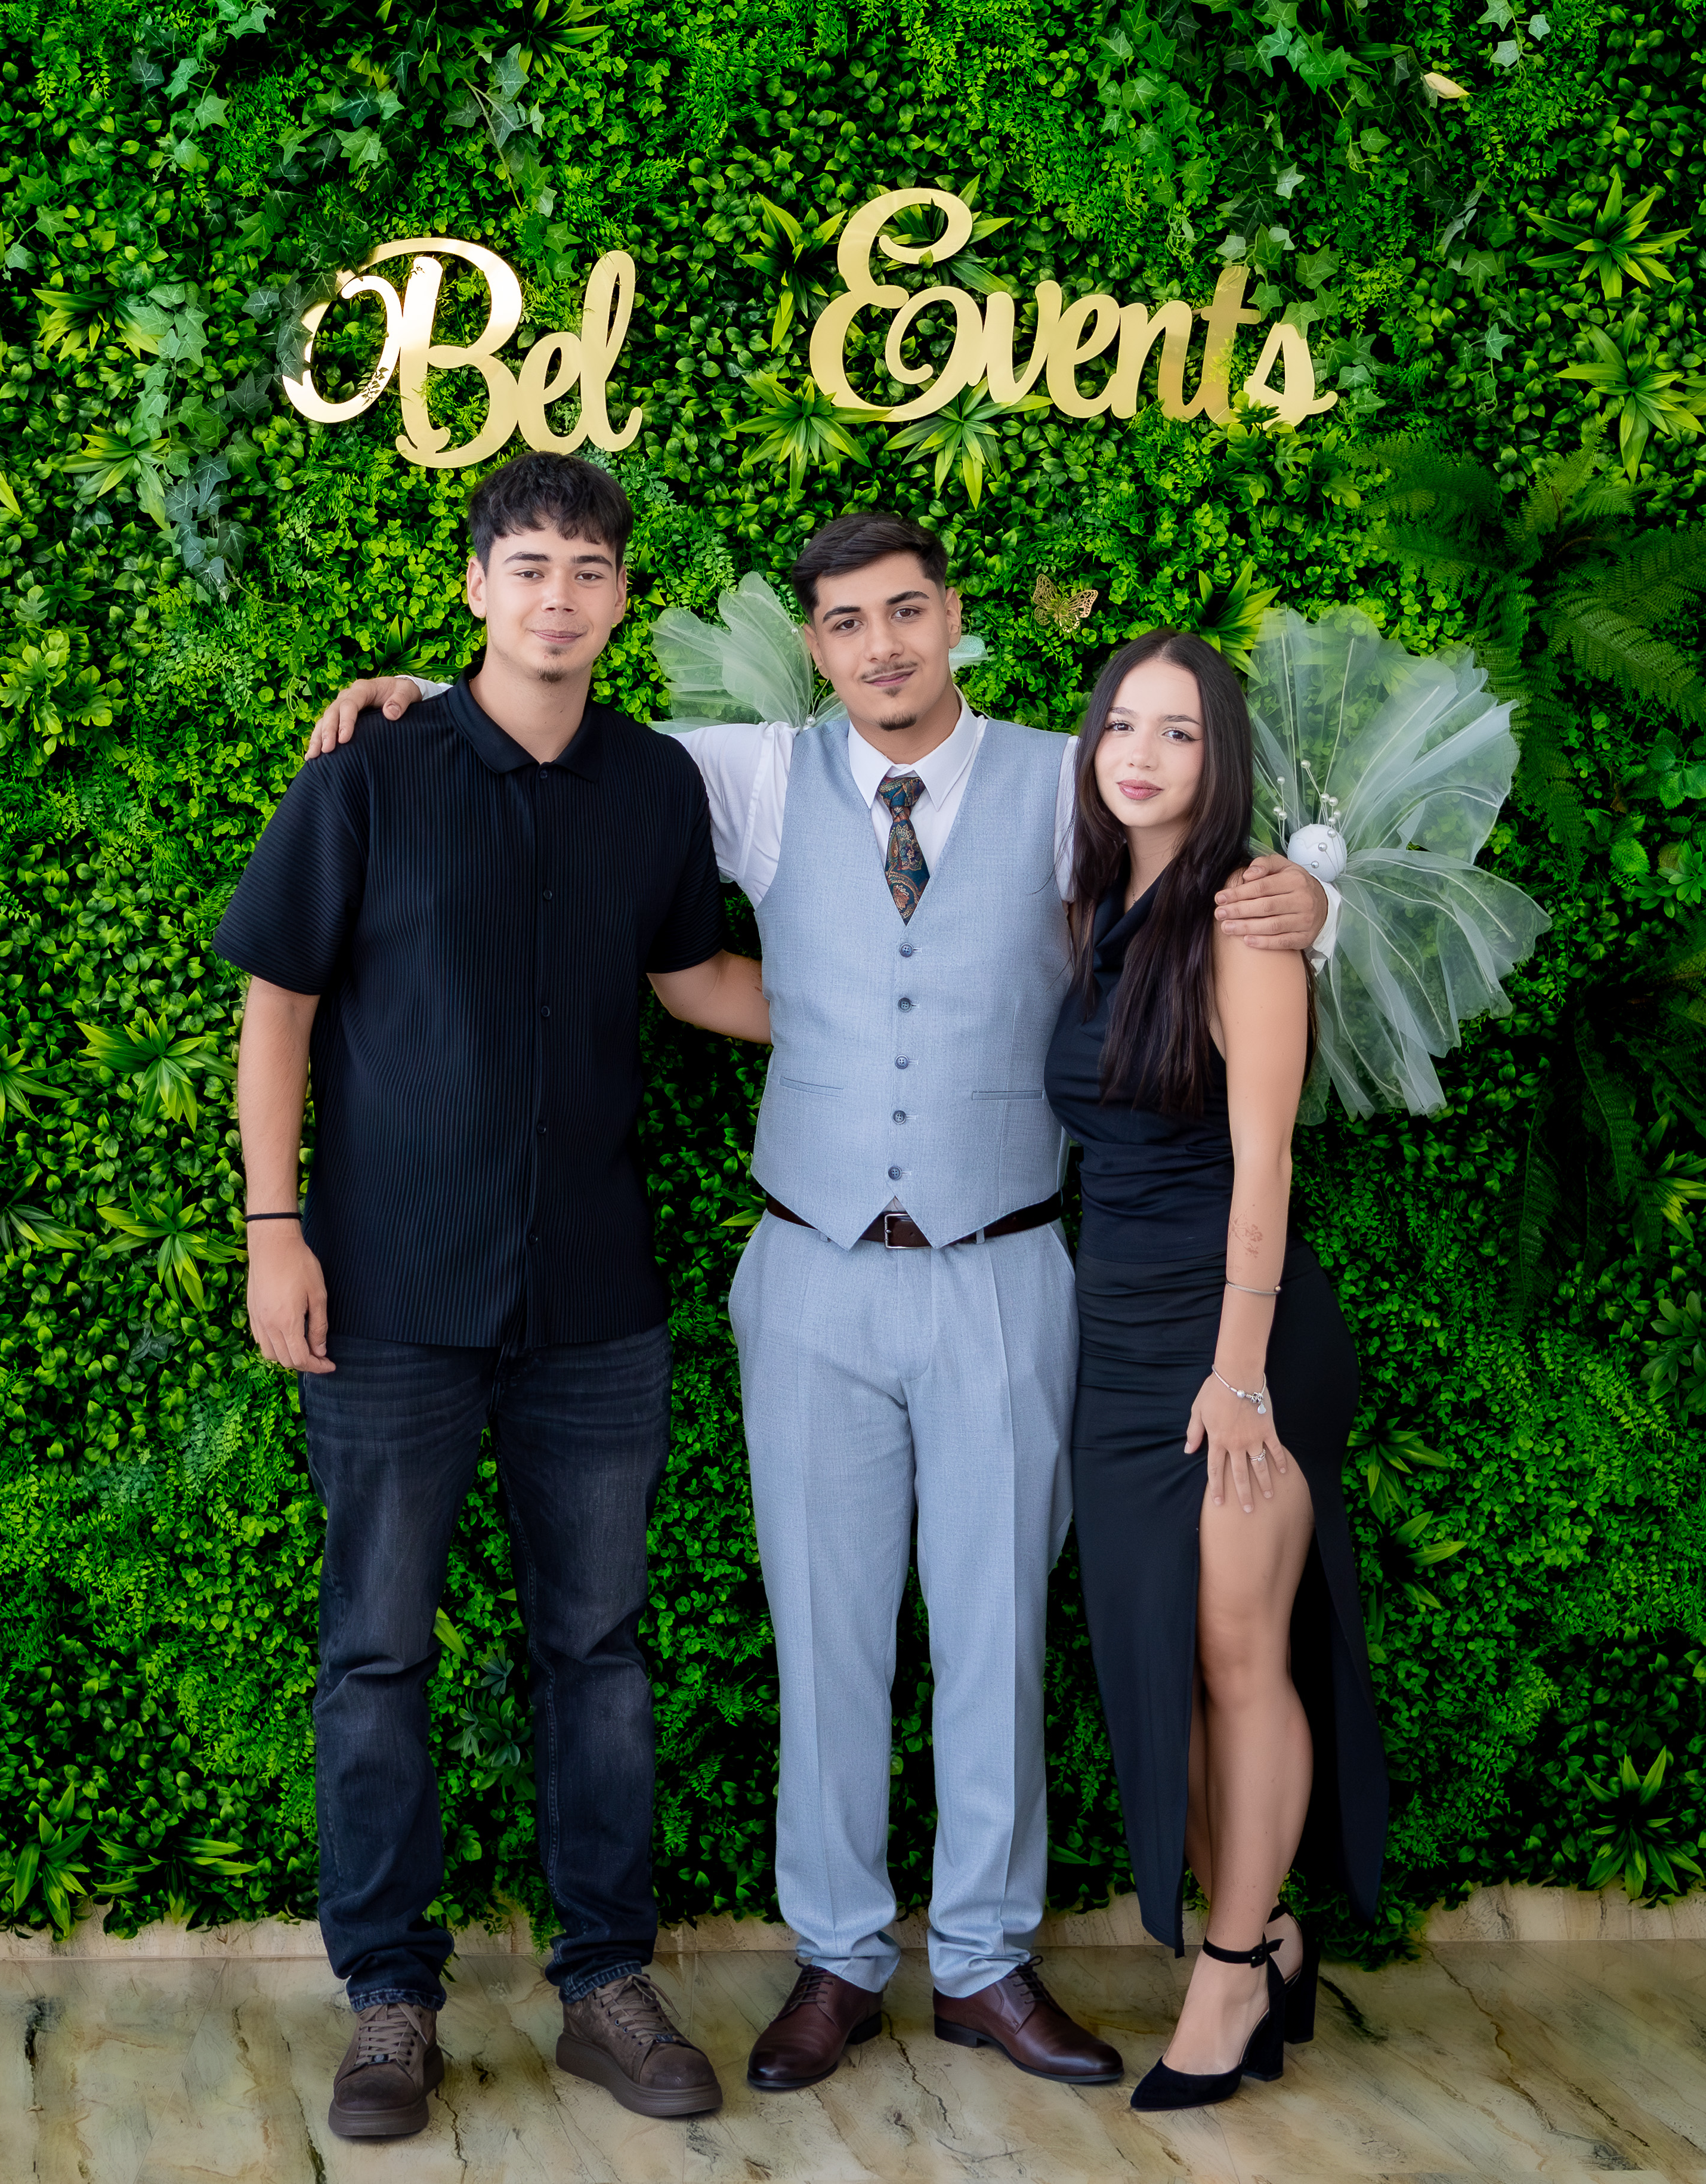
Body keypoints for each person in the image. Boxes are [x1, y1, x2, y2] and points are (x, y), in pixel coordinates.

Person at [311, 513, 1334, 2095]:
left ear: (952, 616)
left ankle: (985, 1960)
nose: (881, 647)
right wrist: (411, 693)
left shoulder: (1069, 776)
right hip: (808, 1270)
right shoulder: (751, 774)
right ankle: (839, 1954)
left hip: (1003, 1265)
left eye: (905, 612)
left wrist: (1307, 903)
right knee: (826, 1637)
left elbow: (1195, 860)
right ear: (813, 645)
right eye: (846, 623)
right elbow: (560, 728)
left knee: (996, 1635)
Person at [215, 452, 773, 2139]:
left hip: (593, 1301)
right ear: (476, 586)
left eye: (588, 570)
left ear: (620, 598)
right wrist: (272, 1227)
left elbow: (693, 977)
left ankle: (606, 1984)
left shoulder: (655, 783)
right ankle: (389, 1998)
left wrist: (925, 1002)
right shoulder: (370, 771)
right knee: (377, 1652)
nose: (557, 595)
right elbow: (276, 1003)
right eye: (527, 564)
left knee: (595, 1650)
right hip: (388, 1293)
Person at [1043, 631, 1387, 2112]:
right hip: (1117, 1338)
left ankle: (1233, 1969)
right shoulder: (1093, 904)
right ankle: (1274, 1935)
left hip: (1233, 1336)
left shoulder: (1247, 916)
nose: (1142, 755)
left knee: (1242, 1649)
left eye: (1179, 732)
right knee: (1165, 1656)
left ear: (1220, 758)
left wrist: (1238, 1372)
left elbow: (1266, 1163)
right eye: (1123, 724)